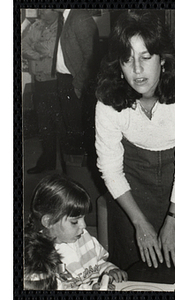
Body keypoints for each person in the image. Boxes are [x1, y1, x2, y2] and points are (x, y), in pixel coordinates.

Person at [95, 11, 175, 271]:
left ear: (163, 60)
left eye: (145, 57)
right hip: (129, 184)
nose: (137, 70)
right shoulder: (108, 100)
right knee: (132, 265)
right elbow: (110, 168)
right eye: (127, 59)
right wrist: (138, 222)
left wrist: (173, 219)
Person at [25, 174, 127, 290]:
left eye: (83, 218)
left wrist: (109, 270)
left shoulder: (84, 237)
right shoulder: (41, 260)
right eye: (74, 222)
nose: (83, 225)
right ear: (48, 222)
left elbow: (99, 262)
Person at [53, 9, 100, 156]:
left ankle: (81, 175)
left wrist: (78, 84)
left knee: (79, 131)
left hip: (75, 82)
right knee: (71, 129)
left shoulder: (79, 17)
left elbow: (92, 56)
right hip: (64, 80)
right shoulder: (66, 17)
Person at [22, 9, 60, 174]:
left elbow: (52, 50)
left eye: (43, 9)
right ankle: (47, 161)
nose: (39, 12)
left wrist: (35, 45)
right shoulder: (36, 25)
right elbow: (22, 46)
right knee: (44, 125)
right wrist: (38, 56)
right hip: (39, 81)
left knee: (60, 125)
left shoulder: (63, 26)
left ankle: (67, 167)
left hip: (56, 82)